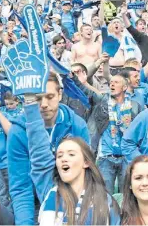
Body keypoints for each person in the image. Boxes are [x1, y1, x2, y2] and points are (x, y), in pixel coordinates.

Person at [22, 92, 121, 225]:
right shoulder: (50, 191)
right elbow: (39, 155)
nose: (63, 159)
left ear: (86, 162)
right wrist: (30, 101)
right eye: (59, 155)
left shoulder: (106, 202)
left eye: (71, 154)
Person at [7, 74, 90, 225]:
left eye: (49, 96)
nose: (44, 104)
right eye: (38, 98)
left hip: (72, 200)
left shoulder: (77, 125)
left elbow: (86, 174)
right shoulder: (18, 132)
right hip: (35, 202)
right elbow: (21, 187)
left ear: (60, 94)